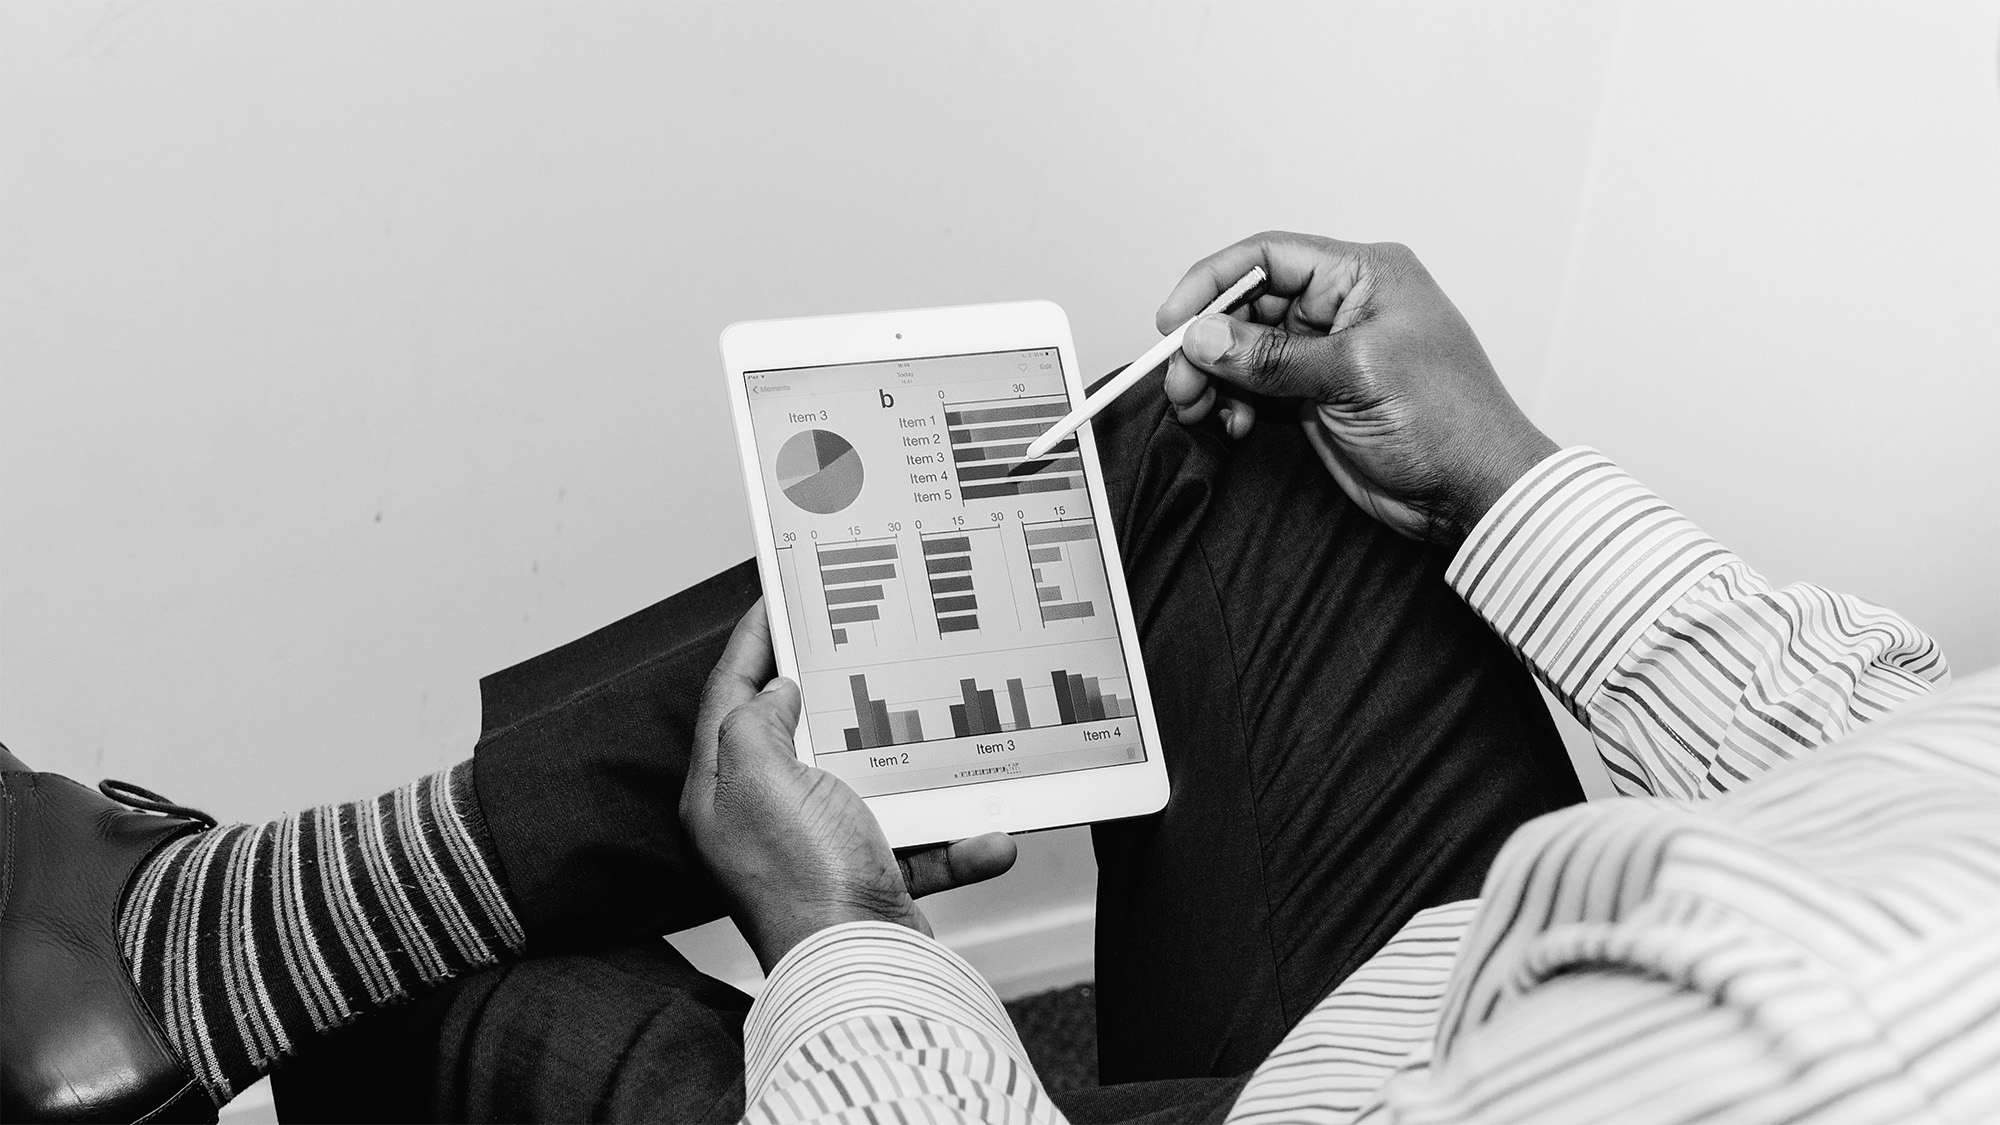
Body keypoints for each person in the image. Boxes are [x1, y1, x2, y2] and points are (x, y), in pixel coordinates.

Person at [1, 230, 1986, 1124]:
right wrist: (1506, 472)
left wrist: (855, 938)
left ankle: (216, 955)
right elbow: (1905, 777)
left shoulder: (1851, 1058)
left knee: (469, 1006)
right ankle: (188, 943)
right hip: (1507, 987)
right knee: (1192, 455)